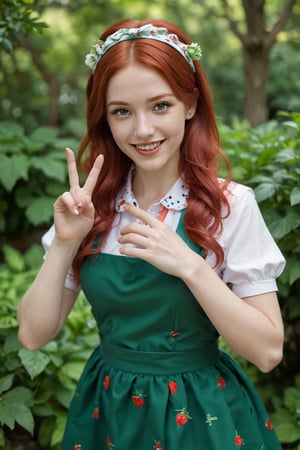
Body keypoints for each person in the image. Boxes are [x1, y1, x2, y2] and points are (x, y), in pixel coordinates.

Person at [18, 18, 286, 450]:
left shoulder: (230, 206)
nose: (142, 130)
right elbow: (32, 334)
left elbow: (268, 352)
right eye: (122, 111)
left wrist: (189, 266)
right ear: (105, 119)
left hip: (202, 416)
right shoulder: (91, 207)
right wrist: (66, 243)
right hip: (108, 412)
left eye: (160, 105)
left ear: (191, 104)